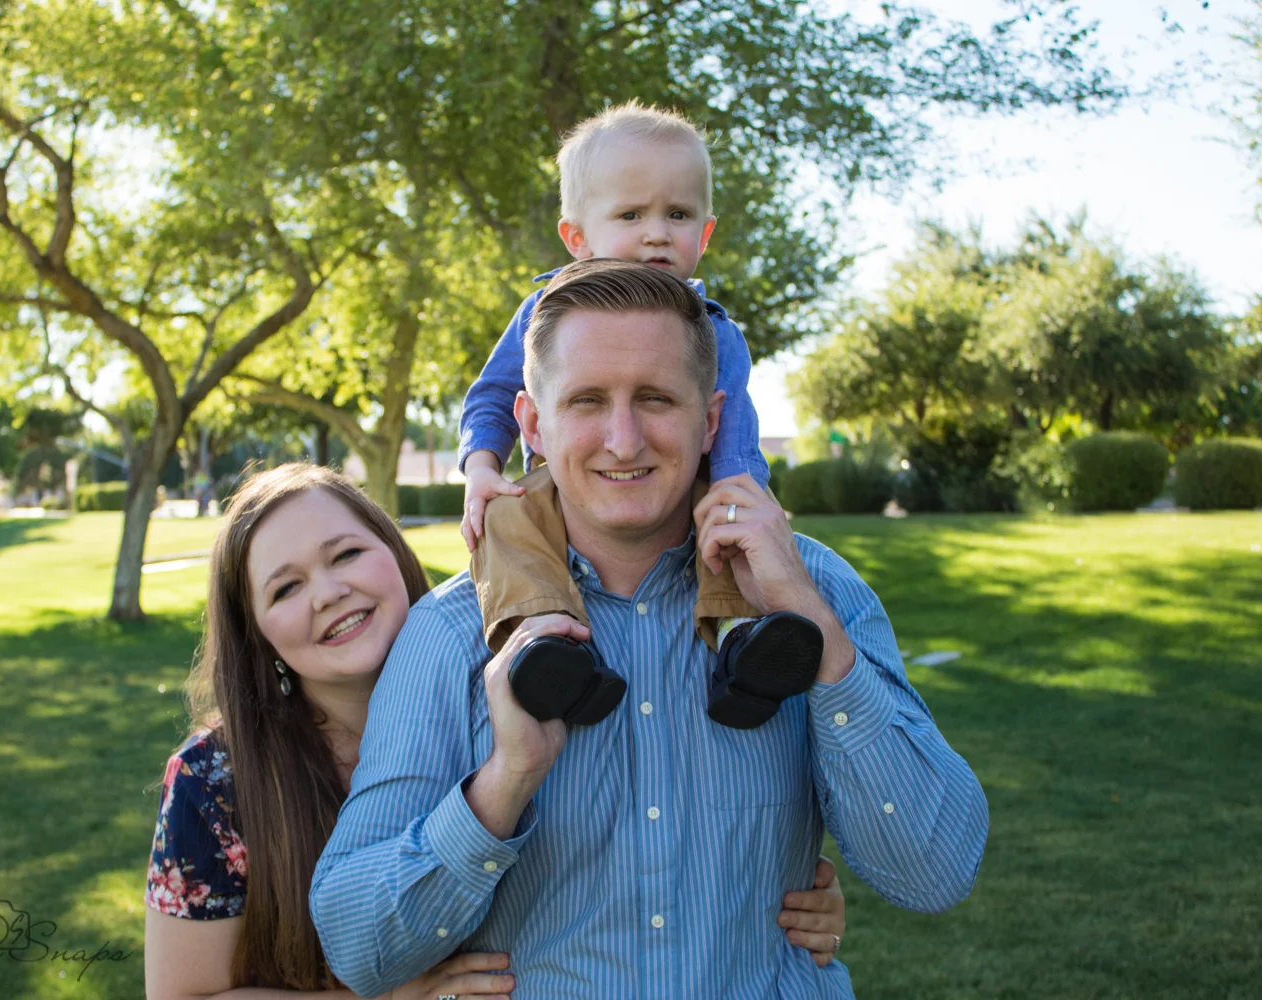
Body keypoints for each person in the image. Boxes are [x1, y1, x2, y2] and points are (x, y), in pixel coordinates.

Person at [311, 260, 989, 998]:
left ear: (711, 422)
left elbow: (936, 871)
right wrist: (503, 786)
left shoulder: (816, 596)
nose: (624, 440)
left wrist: (816, 632)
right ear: (533, 424)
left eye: (656, 399)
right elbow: (356, 944)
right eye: (588, 400)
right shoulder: (449, 636)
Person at [143, 463, 848, 999]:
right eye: (285, 588)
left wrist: (772, 892)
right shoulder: (216, 780)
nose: (328, 592)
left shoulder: (526, 677)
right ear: (258, 634)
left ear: (395, 553)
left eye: (346, 554)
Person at [458, 100, 821, 732]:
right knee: (507, 515)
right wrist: (481, 465)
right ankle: (545, 638)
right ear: (578, 237)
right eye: (631, 215)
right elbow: (492, 394)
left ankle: (741, 644)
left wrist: (745, 488)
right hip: (561, 488)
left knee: (725, 527)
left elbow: (731, 425)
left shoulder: (714, 332)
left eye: (677, 215)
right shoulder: (544, 314)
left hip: (684, 486)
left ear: (705, 233)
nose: (657, 232)